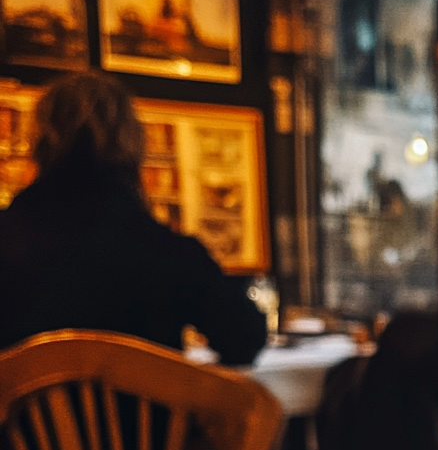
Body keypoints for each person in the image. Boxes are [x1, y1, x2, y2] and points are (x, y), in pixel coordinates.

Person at [0, 69, 266, 365]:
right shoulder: (169, 253)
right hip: (149, 412)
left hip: (18, 413)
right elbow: (246, 337)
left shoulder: (7, 241)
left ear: (39, 140)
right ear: (133, 142)